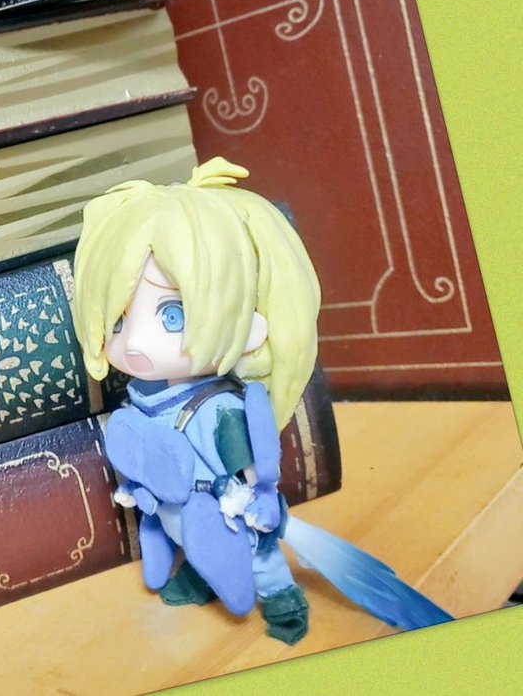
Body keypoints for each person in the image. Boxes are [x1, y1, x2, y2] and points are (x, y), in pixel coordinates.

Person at [71, 157, 451, 643]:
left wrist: (261, 497)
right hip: (178, 514)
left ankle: (282, 599)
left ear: (249, 327)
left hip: (227, 510)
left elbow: (250, 466)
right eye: (120, 320)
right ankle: (200, 576)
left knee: (259, 555)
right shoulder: (140, 397)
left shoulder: (218, 409)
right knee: (191, 540)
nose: (135, 343)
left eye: (172, 317)